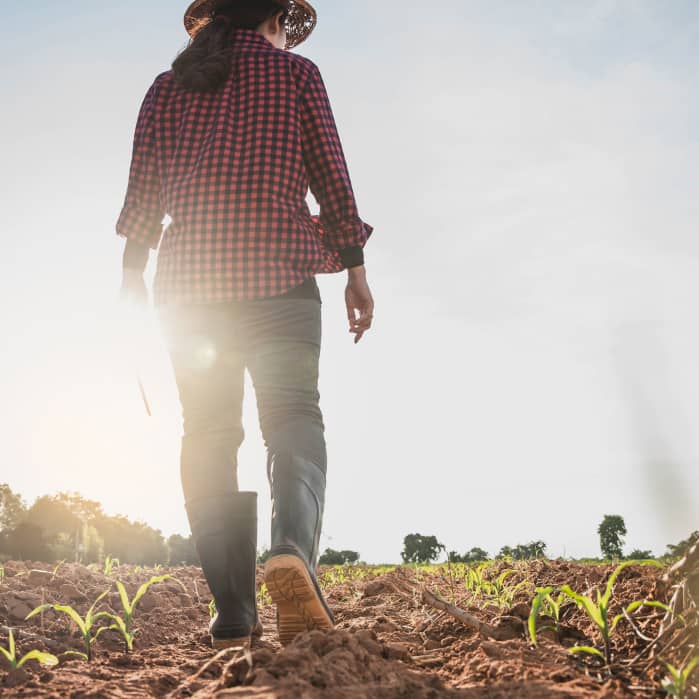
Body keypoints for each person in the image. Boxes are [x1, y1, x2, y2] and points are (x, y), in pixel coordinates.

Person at [115, 0, 374, 649]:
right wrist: (354, 268)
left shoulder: (165, 86)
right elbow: (331, 180)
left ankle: (233, 608)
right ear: (275, 20)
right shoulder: (296, 74)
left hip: (188, 287)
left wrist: (130, 279)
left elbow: (142, 195)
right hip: (280, 275)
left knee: (206, 431)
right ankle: (292, 553)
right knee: (292, 416)